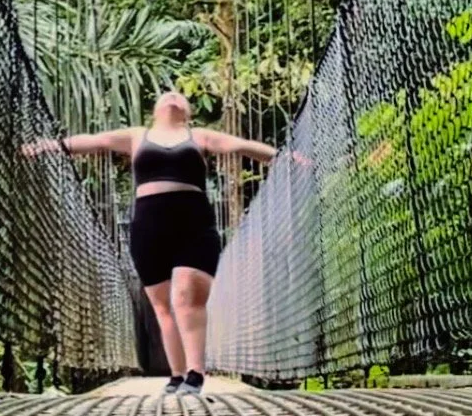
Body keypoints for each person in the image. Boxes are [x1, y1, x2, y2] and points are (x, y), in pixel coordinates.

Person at [22, 90, 282, 396]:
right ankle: (177, 375)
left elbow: (243, 147)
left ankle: (196, 374)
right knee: (162, 306)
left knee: (187, 296)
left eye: (181, 96)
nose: (174, 95)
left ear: (187, 112)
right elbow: (91, 141)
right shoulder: (136, 136)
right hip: (148, 228)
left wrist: (284, 155)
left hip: (194, 224)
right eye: (167, 94)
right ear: (155, 109)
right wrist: (46, 146)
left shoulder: (198, 136)